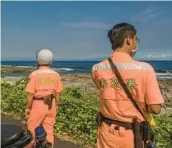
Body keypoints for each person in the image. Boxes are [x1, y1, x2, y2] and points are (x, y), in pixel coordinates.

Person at [92, 23, 164, 148]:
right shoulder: (145, 69)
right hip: (132, 137)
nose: (136, 43)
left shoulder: (97, 68)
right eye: (136, 39)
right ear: (129, 40)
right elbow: (155, 109)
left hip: (106, 133)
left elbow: (106, 90)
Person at [25, 49, 63, 147]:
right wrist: (56, 106)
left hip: (38, 104)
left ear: (38, 60)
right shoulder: (56, 75)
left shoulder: (34, 75)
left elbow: (30, 94)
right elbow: (58, 93)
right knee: (49, 130)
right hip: (52, 104)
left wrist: (28, 108)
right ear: (51, 60)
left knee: (32, 129)